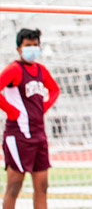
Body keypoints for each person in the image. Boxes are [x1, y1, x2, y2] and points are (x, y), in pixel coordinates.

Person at [0, 29, 61, 209]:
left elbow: (55, 90)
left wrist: (44, 107)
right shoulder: (14, 69)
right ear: (19, 48)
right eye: (28, 46)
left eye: (35, 45)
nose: (32, 49)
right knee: (15, 185)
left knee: (42, 186)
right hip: (18, 134)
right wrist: (12, 112)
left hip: (38, 135)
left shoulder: (41, 70)